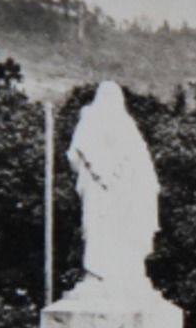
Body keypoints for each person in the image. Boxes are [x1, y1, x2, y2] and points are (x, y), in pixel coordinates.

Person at [66, 81, 160, 296]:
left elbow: (74, 156)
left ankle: (101, 275)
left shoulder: (90, 121)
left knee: (100, 231)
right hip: (122, 195)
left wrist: (91, 170)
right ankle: (120, 274)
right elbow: (144, 165)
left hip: (104, 195)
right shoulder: (126, 125)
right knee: (116, 231)